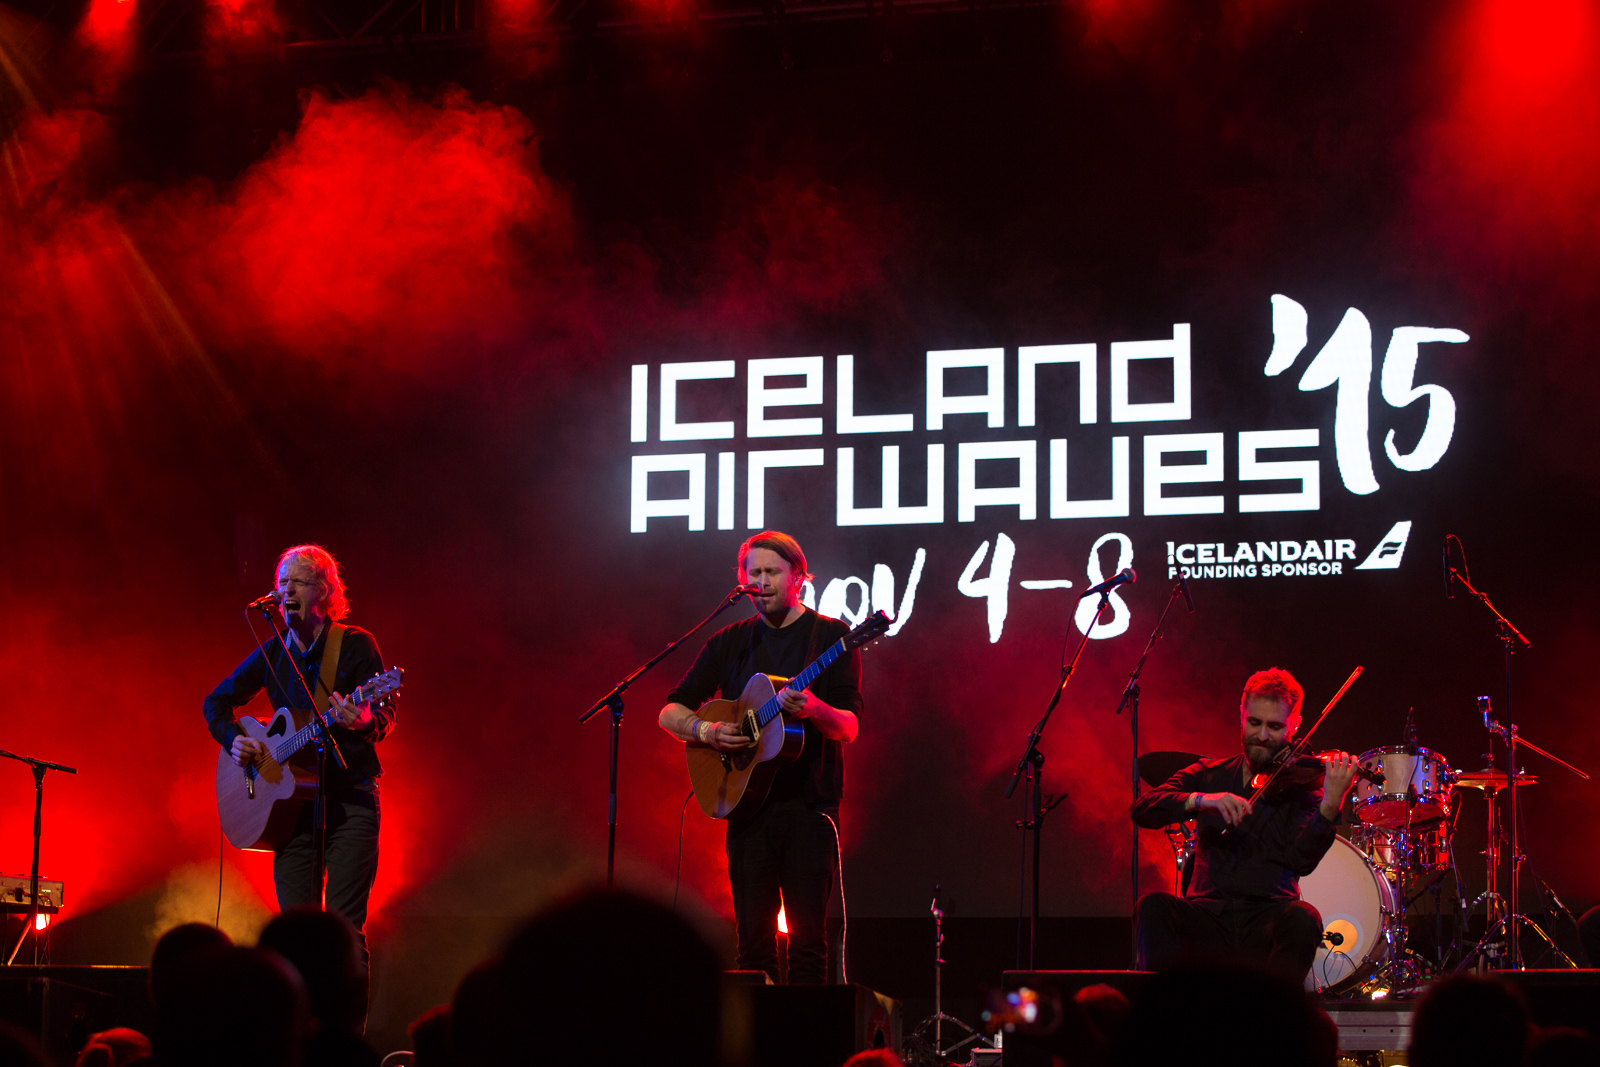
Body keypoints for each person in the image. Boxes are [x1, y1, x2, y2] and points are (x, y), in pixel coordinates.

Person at [657, 531, 863, 985]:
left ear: (799, 577)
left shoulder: (831, 637)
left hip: (810, 811)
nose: (763, 581)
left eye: (773, 571)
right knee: (752, 951)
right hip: (747, 812)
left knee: (808, 947)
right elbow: (670, 711)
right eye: (754, 573)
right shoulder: (728, 641)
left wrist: (814, 708)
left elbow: (848, 726)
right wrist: (707, 730)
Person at [203, 544, 398, 966]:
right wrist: (235, 740)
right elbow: (215, 703)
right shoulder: (273, 651)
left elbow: (385, 715)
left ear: (324, 593)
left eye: (298, 582)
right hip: (292, 813)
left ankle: (341, 1031)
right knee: (295, 940)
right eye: (281, 582)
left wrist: (362, 719)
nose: (286, 590)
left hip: (351, 802)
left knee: (344, 934)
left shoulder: (355, 645)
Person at [1129, 668, 1358, 982]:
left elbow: (1301, 862)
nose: (1262, 736)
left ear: (1296, 725)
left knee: (1305, 918)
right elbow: (1143, 809)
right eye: (1255, 723)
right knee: (1153, 906)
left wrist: (1329, 806)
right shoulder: (1209, 773)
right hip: (1207, 916)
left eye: (1275, 726)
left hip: (1267, 918)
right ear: (1242, 715)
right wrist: (1199, 800)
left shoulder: (1305, 788)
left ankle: (1273, 1018)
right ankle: (1165, 1015)